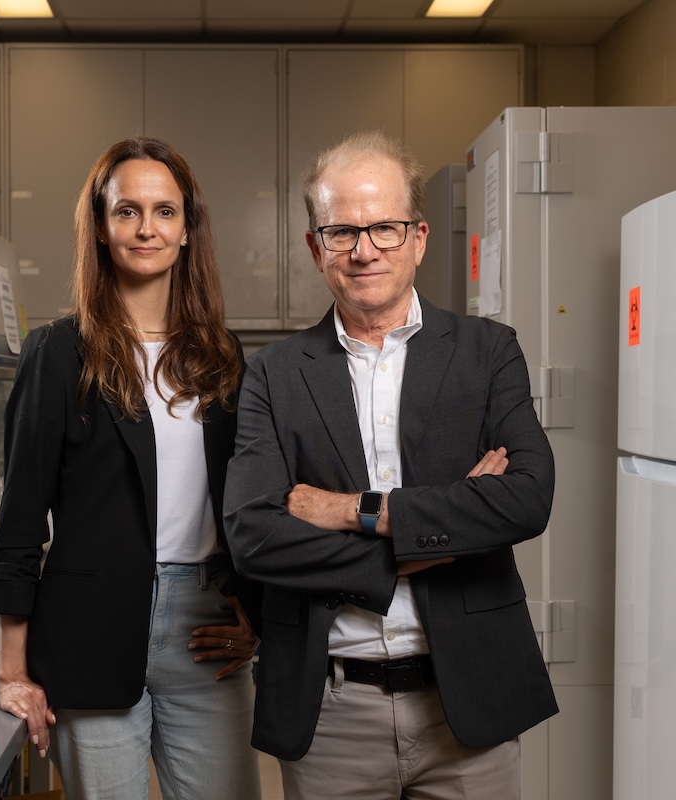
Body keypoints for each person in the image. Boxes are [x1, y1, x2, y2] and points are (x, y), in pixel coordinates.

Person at [223, 130, 557, 799]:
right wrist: (418, 546)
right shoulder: (273, 374)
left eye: (384, 227)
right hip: (330, 709)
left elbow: (526, 498)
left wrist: (354, 511)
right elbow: (253, 535)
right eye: (342, 231)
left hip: (468, 706)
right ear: (317, 248)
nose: (365, 248)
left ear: (419, 237)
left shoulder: (488, 352)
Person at [0, 136, 261, 800]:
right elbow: (21, 519)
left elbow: (250, 504)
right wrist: (14, 671)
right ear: (102, 228)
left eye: (165, 212)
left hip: (204, 625)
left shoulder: (221, 357)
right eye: (126, 211)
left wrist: (253, 611)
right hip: (89, 626)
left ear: (188, 229)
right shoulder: (57, 352)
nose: (146, 228)